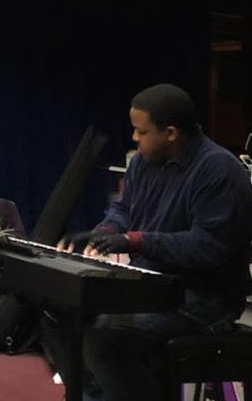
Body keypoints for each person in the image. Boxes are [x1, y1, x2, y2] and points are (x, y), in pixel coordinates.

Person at [56, 83, 252, 401]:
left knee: (103, 340)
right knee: (55, 312)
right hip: (151, 283)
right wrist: (105, 231)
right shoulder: (142, 162)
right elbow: (124, 210)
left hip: (205, 296)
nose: (134, 137)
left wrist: (136, 241)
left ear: (171, 133)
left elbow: (208, 247)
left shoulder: (219, 170)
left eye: (141, 131)